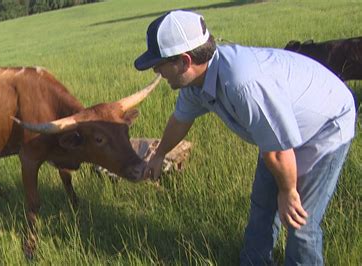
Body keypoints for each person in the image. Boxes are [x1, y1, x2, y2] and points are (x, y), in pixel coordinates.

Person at [134, 10, 356, 265]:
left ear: (185, 61)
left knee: (300, 220)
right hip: (280, 133)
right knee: (262, 204)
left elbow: (277, 152)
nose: (157, 71)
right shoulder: (196, 82)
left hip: (325, 124)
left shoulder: (243, 83)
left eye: (159, 63)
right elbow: (180, 120)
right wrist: (159, 154)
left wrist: (288, 191)